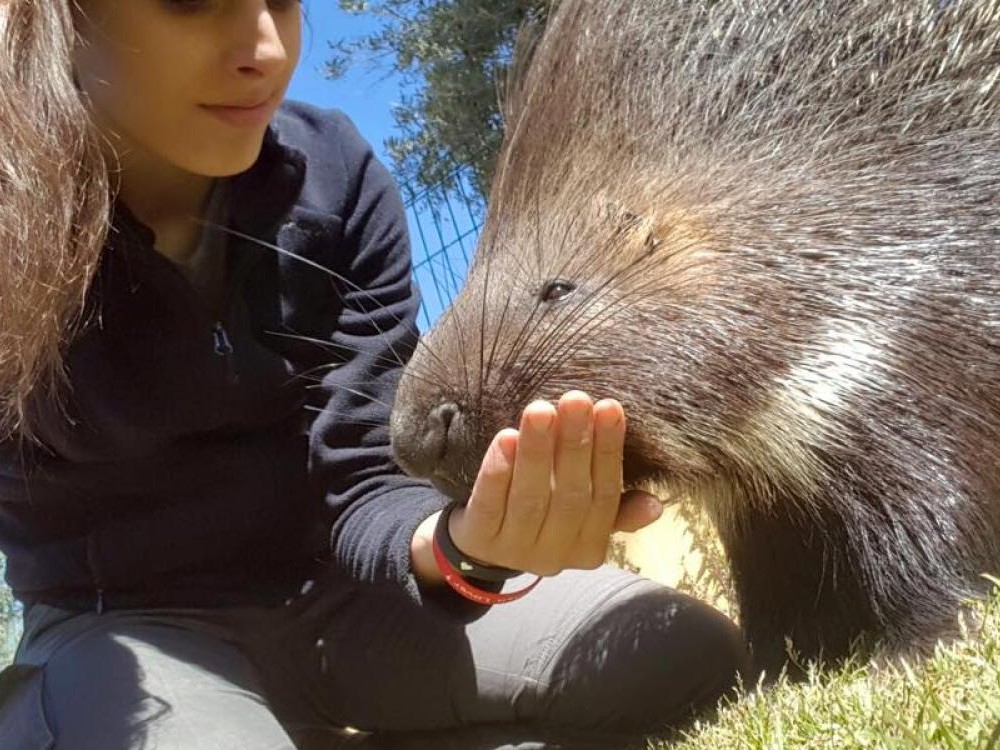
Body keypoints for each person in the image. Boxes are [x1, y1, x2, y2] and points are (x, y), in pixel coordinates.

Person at [0, 1, 749, 748]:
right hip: (125, 627)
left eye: (283, 2)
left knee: (685, 657)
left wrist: (468, 546)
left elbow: (365, 475)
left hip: (345, 600)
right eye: (196, 3)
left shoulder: (336, 175)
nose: (267, 48)